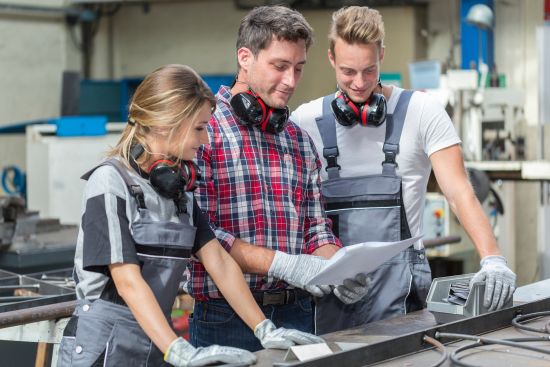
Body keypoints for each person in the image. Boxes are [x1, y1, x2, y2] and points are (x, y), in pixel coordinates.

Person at [56, 64, 325, 367]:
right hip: (101, 350)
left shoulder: (178, 193)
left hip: (153, 345)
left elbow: (220, 263)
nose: (206, 140)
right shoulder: (109, 182)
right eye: (199, 128)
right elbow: (127, 281)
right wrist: (178, 349)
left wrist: (264, 329)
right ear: (163, 124)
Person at [290, 6, 517, 334]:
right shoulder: (306, 121)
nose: (359, 82)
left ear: (382, 54)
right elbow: (297, 212)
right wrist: (317, 266)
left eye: (369, 70)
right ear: (330, 59)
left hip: (404, 292)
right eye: (348, 71)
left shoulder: (422, 112)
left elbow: (458, 191)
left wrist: (492, 257)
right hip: (332, 295)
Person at [186, 5, 371, 350]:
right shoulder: (203, 132)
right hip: (225, 318)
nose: (291, 81)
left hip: (298, 311)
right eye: (280, 66)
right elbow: (201, 235)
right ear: (245, 57)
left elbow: (315, 229)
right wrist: (285, 265)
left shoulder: (298, 140)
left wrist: (339, 267)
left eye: (299, 68)